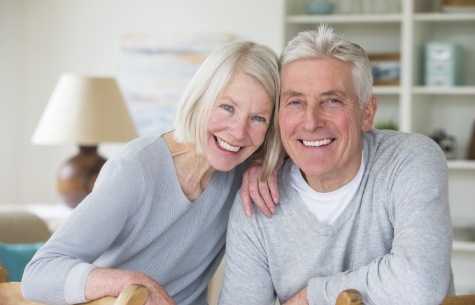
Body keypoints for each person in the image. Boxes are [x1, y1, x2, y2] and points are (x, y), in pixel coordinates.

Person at [22, 40, 281, 305]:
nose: (238, 132)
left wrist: (267, 163)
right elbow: (39, 274)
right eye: (227, 108)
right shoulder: (135, 169)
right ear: (200, 98)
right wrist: (128, 282)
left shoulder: (242, 173)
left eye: (258, 118)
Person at [219, 24, 454, 305]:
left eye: (332, 100)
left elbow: (420, 284)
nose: (311, 121)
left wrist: (311, 296)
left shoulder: (410, 160)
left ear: (367, 112)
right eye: (295, 102)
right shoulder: (257, 200)